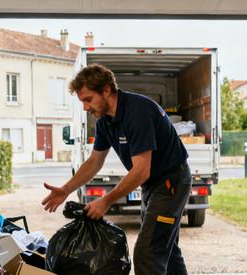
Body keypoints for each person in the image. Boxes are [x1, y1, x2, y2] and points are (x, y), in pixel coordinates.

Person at [41, 64, 191, 275]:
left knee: (147, 253)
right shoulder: (105, 121)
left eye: (88, 99)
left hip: (170, 183)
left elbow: (141, 171)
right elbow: (94, 161)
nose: (85, 107)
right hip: (153, 185)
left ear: (106, 90)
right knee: (166, 248)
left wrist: (106, 201)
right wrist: (66, 189)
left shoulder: (137, 112)